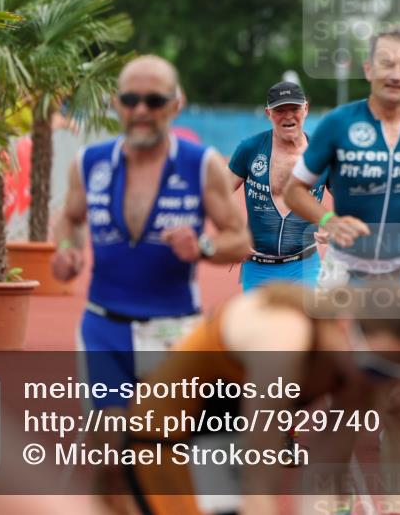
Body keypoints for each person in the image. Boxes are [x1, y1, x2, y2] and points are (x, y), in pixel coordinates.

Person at [284, 26, 400, 513]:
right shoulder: (339, 125)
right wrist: (327, 218)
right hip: (345, 270)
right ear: (369, 69)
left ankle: (397, 508)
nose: (398, 74)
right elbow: (294, 191)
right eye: (388, 64)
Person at [113, 280, 400, 515]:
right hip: (165, 434)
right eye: (373, 367)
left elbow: (322, 472)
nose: (376, 382)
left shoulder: (358, 367)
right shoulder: (283, 338)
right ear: (347, 326)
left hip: (223, 433)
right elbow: (260, 481)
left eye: (388, 373)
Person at [51, 55, 252, 415]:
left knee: (169, 448)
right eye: (130, 100)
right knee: (108, 448)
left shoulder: (202, 164)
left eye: (155, 101)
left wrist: (203, 246)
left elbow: (239, 240)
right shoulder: (89, 163)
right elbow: (69, 219)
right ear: (116, 104)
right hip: (103, 326)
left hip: (172, 327)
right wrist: (67, 250)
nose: (141, 110)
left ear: (176, 105)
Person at [229, 81, 328, 291]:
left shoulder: (322, 154)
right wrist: (232, 229)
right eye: (280, 110)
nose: (288, 116)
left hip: (305, 265)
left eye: (294, 109)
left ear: (306, 109)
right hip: (258, 266)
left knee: (308, 323)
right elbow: (216, 195)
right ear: (268, 113)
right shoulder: (251, 149)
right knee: (256, 325)